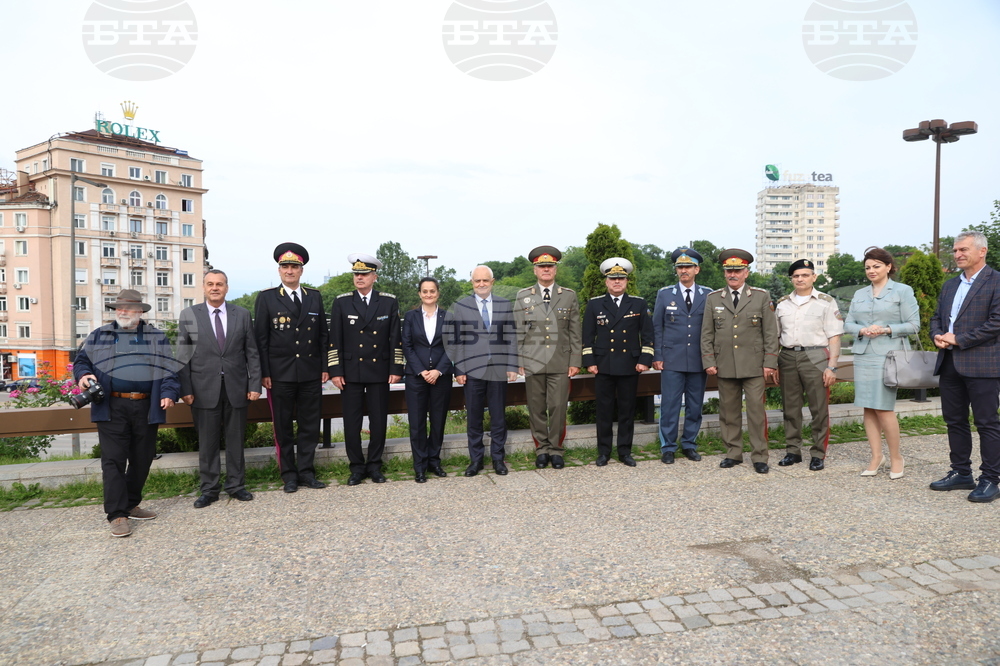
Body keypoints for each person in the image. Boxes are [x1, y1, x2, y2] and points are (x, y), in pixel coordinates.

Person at [74, 289, 181, 537]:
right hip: (111, 406)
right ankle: (117, 514)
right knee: (113, 460)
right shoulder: (99, 335)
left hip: (146, 405)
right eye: (118, 308)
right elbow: (81, 362)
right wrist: (83, 375)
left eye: (128, 308)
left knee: (143, 458)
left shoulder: (156, 337)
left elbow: (169, 371)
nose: (122, 312)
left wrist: (168, 393)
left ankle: (131, 504)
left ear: (140, 312)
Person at [177, 270, 262, 507]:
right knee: (208, 443)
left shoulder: (242, 314)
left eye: (220, 284)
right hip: (202, 389)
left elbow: (251, 353)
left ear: (227, 287)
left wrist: (255, 383)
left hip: (237, 388)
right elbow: (183, 356)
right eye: (210, 284)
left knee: (236, 441)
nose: (215, 288)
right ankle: (209, 490)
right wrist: (185, 389)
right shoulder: (189, 315)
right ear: (203, 287)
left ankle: (236, 486)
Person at [929, 231, 1000, 502]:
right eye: (955, 250)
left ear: (982, 251)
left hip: (983, 365)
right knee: (955, 421)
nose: (957, 254)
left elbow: (996, 323)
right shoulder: (949, 285)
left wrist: (959, 339)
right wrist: (936, 335)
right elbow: (937, 318)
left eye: (963, 250)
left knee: (987, 423)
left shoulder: (996, 282)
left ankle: (991, 479)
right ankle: (961, 473)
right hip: (949, 364)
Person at [254, 243, 329, 493]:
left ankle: (306, 471)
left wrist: (325, 367)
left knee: (310, 425)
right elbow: (261, 339)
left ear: (301, 270)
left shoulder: (314, 297)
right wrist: (265, 372)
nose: (289, 271)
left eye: (294, 266)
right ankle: (289, 475)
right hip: (280, 374)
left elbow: (322, 337)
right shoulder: (267, 298)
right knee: (283, 427)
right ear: (279, 270)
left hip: (309, 372)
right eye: (285, 266)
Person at [843, 246, 919, 480]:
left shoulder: (902, 291)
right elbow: (848, 323)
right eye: (867, 267)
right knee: (868, 406)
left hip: (889, 355)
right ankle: (877, 456)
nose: (871, 270)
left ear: (888, 267)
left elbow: (914, 325)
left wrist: (886, 329)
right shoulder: (860, 294)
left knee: (884, 408)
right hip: (864, 354)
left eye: (876, 266)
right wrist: (863, 329)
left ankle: (896, 457)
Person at [700, 249, 779, 474]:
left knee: (755, 411)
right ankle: (733, 453)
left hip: (754, 365)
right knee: (728, 412)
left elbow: (770, 333)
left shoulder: (761, 296)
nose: (732, 274)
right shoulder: (714, 298)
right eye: (729, 271)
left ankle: (760, 456)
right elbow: (707, 333)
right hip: (724, 364)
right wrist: (709, 360)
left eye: (737, 270)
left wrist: (770, 362)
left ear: (746, 272)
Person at [329, 253, 404, 486]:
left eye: (364, 274)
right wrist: (335, 371)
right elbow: (334, 340)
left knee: (378, 420)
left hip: (379, 370)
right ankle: (356, 467)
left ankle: (374, 465)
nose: (359, 278)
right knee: (351, 423)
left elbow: (395, 339)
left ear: (374, 276)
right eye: (356, 274)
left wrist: (396, 368)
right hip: (350, 372)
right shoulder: (342, 302)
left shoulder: (388, 302)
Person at [443, 265, 518, 477]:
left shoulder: (504, 304)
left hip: (498, 369)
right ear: (472, 283)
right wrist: (459, 369)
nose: (481, 284)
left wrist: (512, 366)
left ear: (492, 282)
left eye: (485, 280)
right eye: (477, 281)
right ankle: (475, 461)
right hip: (472, 369)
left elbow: (511, 337)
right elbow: (456, 340)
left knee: (498, 417)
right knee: (474, 417)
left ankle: (497, 459)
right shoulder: (461, 306)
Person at [514, 246, 582, 470]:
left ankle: (556, 449)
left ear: (555, 270)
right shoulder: (523, 296)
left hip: (560, 362)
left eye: (550, 266)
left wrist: (575, 361)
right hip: (533, 361)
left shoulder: (568, 296)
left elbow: (575, 333)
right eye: (541, 266)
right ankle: (541, 449)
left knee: (558, 406)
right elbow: (518, 332)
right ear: (535, 270)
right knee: (536, 408)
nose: (546, 270)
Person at [581, 258, 654, 467]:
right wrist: (589, 361)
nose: (617, 282)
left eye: (621, 278)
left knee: (627, 411)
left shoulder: (638, 303)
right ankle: (603, 452)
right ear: (606, 281)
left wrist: (645, 360)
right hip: (603, 365)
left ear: (626, 281)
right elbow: (588, 336)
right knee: (603, 411)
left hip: (630, 365)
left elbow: (647, 335)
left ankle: (624, 451)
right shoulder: (595, 304)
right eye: (613, 278)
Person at [774, 259, 844, 472]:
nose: (800, 279)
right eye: (796, 276)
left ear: (814, 277)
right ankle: (793, 451)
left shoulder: (826, 301)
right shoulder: (782, 303)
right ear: (791, 279)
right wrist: (773, 363)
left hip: (815, 356)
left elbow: (834, 336)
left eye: (805, 275)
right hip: (787, 356)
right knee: (790, 407)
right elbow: (776, 336)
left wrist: (832, 367)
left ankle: (817, 453)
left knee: (818, 408)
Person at [652, 247, 711, 464]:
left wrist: (710, 357)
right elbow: (657, 326)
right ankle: (667, 447)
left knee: (695, 405)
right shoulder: (665, 293)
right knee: (669, 405)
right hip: (672, 359)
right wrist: (657, 355)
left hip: (698, 359)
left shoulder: (708, 294)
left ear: (697, 269)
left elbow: (712, 329)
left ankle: (689, 444)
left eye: (687, 266)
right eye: (680, 267)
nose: (683, 270)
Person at [402, 277, 453, 483]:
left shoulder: (448, 317)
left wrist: (438, 370)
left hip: (440, 378)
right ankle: (420, 466)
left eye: (432, 291)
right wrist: (422, 371)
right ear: (419, 294)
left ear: (438, 293)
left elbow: (453, 346)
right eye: (425, 291)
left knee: (438, 421)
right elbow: (407, 345)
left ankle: (434, 461)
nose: (429, 295)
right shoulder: (410, 316)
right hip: (417, 377)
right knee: (417, 422)